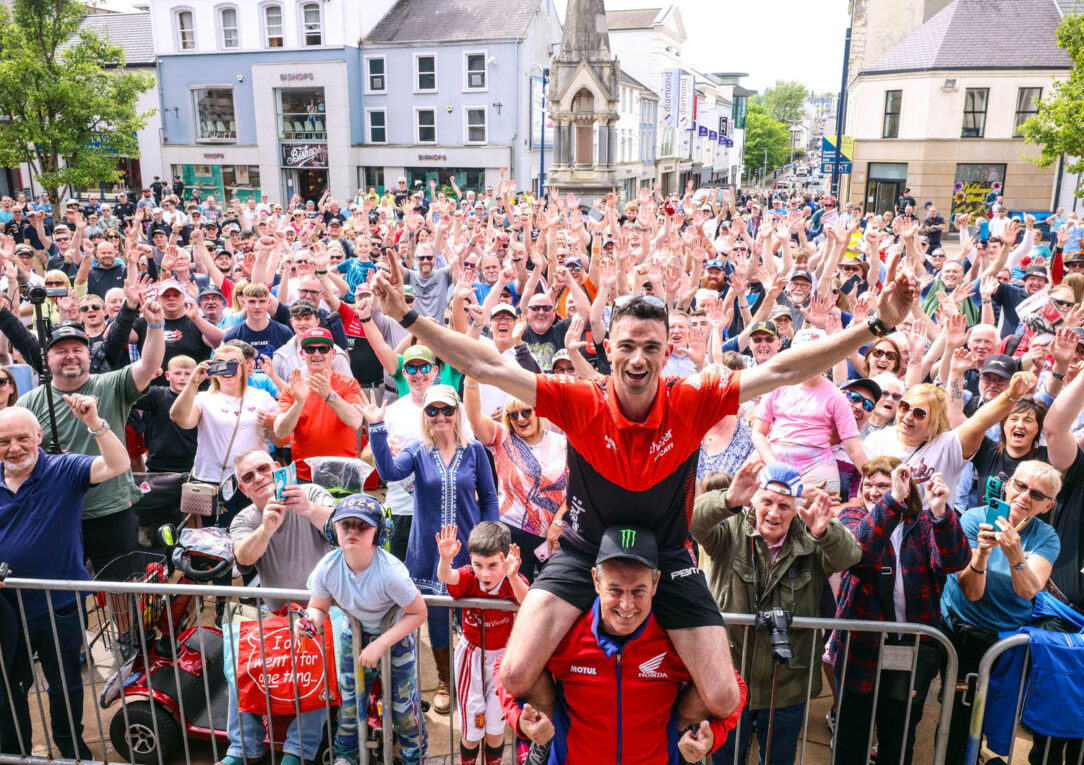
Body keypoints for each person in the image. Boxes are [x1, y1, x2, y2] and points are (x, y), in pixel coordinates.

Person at [368, 251, 917, 731]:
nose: (637, 359)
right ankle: (566, 730)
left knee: (723, 696)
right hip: (584, 551)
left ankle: (667, 736)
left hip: (670, 555)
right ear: (608, 347)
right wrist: (408, 315)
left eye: (651, 347)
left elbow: (781, 368)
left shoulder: (691, 398)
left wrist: (874, 325)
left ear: (665, 351)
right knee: (513, 672)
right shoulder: (579, 399)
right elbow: (483, 360)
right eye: (627, 345)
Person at [494, 525, 748, 765]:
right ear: (596, 581)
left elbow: (733, 686)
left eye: (638, 590)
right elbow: (504, 667)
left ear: (656, 583)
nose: (626, 605)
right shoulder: (567, 632)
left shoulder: (675, 638)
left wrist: (714, 735)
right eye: (615, 589)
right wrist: (519, 720)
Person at [691, 460, 860, 765]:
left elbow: (850, 555)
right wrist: (728, 500)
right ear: (753, 500)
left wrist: (825, 531)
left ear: (795, 509)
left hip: (786, 684)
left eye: (784, 505)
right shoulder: (730, 530)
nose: (773, 512)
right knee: (724, 759)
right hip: (729, 677)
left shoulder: (811, 536)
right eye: (766, 501)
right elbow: (690, 520)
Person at [0, 397, 132, 759]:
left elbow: (117, 464)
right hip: (6, 612)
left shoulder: (64, 469)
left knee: (66, 685)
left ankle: (72, 748)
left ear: (39, 435)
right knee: (8, 687)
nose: (14, 448)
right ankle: (14, 754)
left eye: (22, 438)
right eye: (4, 441)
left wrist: (95, 422)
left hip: (59, 606)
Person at [360, 384, 498, 715]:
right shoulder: (418, 451)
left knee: (474, 616)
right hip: (429, 551)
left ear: (457, 413)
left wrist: (492, 541)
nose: (439, 416)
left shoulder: (476, 451)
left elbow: (489, 497)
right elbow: (389, 472)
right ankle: (444, 681)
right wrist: (376, 427)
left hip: (469, 551)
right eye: (432, 411)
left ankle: (476, 682)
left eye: (446, 410)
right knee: (436, 615)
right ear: (426, 416)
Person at [831, 459, 970, 765]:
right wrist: (892, 500)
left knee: (899, 736)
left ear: (907, 487)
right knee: (851, 737)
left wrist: (939, 513)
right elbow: (862, 551)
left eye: (884, 484)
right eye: (869, 485)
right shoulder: (852, 517)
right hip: (860, 649)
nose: (875, 492)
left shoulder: (921, 524)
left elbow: (953, 561)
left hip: (911, 651)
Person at [18, 308, 164, 579]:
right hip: (57, 513)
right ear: (47, 359)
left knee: (122, 589)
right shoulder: (29, 403)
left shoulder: (112, 384)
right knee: (63, 588)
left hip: (111, 510)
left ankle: (128, 625)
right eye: (61, 351)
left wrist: (155, 326)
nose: (70, 355)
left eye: (77, 349)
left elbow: (149, 366)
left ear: (89, 354)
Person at [940, 460, 1063, 760]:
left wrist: (1014, 553)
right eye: (1020, 486)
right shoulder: (972, 518)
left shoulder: (1047, 538)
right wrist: (981, 555)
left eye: (1036, 495)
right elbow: (971, 591)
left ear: (1047, 506)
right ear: (1008, 485)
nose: (1024, 497)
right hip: (962, 631)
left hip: (1006, 642)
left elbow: (1027, 590)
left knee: (990, 717)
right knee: (957, 718)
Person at [224, 448, 335, 765]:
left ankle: (297, 751)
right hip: (276, 617)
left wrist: (308, 508)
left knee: (317, 654)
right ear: (243, 489)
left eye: (262, 469)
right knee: (240, 657)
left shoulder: (309, 491)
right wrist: (267, 527)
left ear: (277, 468)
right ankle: (242, 748)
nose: (258, 478)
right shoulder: (245, 518)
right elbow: (243, 557)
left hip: (325, 610)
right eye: (248, 477)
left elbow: (344, 528)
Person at [299, 494, 428, 765]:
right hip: (353, 637)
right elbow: (318, 607)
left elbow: (419, 613)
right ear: (335, 528)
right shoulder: (327, 568)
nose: (353, 531)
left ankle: (414, 758)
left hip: (395, 639)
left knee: (402, 710)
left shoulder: (391, 572)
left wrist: (381, 644)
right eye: (347, 524)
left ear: (379, 532)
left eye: (363, 525)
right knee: (348, 706)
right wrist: (308, 623)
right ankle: (346, 757)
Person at [436, 522, 529, 765]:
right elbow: (447, 576)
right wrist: (445, 560)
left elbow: (528, 601)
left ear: (505, 559)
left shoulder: (511, 579)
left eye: (492, 566)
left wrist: (512, 575)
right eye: (479, 565)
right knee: (472, 730)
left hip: (502, 660)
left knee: (496, 728)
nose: (485, 574)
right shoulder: (469, 576)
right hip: (472, 658)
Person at [462, 378, 568, 581]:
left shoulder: (563, 443)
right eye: (513, 415)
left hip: (554, 536)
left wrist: (558, 522)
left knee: (553, 598)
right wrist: (471, 377)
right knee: (513, 598)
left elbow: (577, 489)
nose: (520, 419)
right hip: (512, 534)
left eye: (526, 411)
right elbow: (474, 417)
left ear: (538, 412)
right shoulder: (503, 438)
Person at [168, 344, 278, 524]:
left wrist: (273, 424)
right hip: (213, 481)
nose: (227, 370)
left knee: (256, 529)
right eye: (220, 365)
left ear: (243, 367)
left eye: (233, 364)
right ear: (212, 370)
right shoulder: (204, 399)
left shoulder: (261, 396)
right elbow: (179, 418)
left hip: (253, 479)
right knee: (215, 537)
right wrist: (193, 382)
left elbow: (282, 434)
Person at [273, 328, 363, 482]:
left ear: (333, 353)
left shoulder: (349, 383)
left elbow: (356, 421)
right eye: (310, 349)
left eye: (323, 349)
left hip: (344, 474)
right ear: (302, 354)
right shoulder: (293, 387)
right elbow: (280, 432)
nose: (316, 354)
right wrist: (298, 403)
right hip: (305, 476)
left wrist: (330, 396)